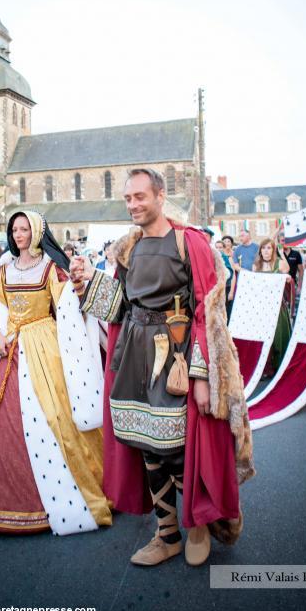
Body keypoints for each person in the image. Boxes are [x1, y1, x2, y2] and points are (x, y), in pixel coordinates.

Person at [70, 168, 254, 567]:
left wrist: (202, 376)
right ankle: (167, 533)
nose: (134, 204)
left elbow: (209, 311)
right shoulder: (126, 248)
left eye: (140, 196)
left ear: (159, 195)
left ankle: (198, 522)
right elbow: (120, 307)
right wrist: (87, 287)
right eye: (128, 199)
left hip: (177, 356)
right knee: (146, 445)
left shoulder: (191, 243)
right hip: (134, 356)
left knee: (178, 446)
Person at [0, 211, 112, 534]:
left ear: (37, 231)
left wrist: (78, 285)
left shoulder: (50, 268)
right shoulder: (5, 268)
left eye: (24, 229)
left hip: (43, 344)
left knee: (53, 415)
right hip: (7, 344)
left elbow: (70, 304)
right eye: (14, 229)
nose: (18, 234)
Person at [252, 238, 291, 373]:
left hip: (277, 306)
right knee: (262, 337)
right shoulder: (256, 265)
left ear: (273, 250)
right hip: (262, 306)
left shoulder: (279, 263)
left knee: (278, 336)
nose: (266, 251)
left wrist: (281, 252)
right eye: (263, 248)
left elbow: (287, 270)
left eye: (269, 248)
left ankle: (279, 366)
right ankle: (264, 368)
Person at [221, 235, 237, 315]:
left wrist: (231, 292)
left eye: (228, 241)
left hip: (230, 285)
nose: (226, 243)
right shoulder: (220, 255)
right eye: (224, 241)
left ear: (231, 244)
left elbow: (233, 274)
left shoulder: (233, 255)